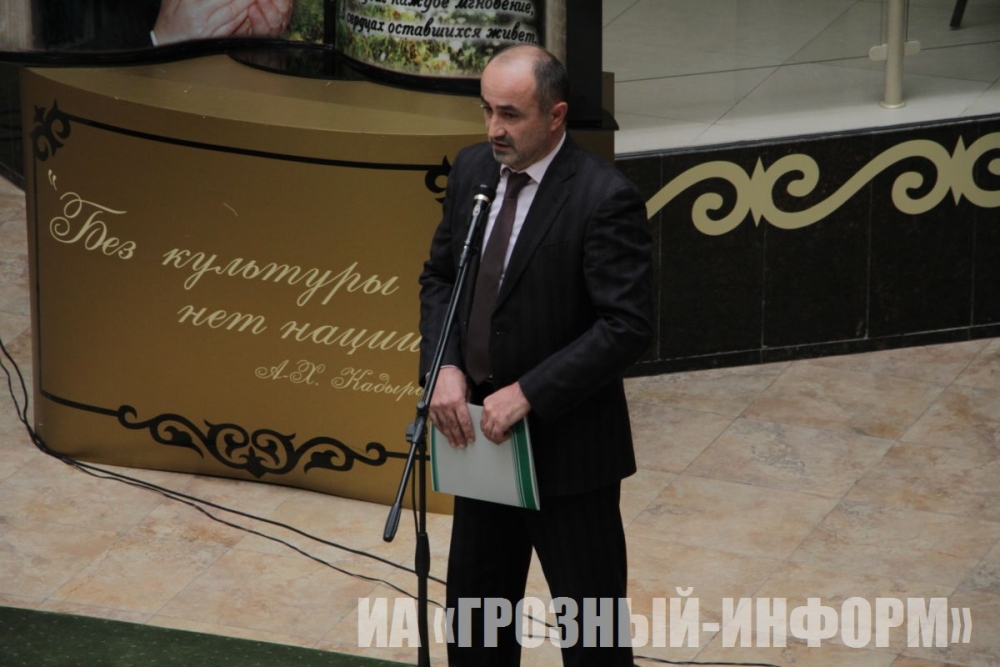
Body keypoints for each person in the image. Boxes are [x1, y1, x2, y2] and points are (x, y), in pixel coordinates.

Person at [418, 45, 654, 666]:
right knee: (476, 628)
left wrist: (529, 393)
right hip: (482, 444)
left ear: (556, 115)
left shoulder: (603, 197)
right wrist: (443, 366)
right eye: (487, 110)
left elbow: (627, 326)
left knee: (593, 637)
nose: (494, 129)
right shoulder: (473, 171)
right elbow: (441, 278)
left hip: (569, 453)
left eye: (511, 114)